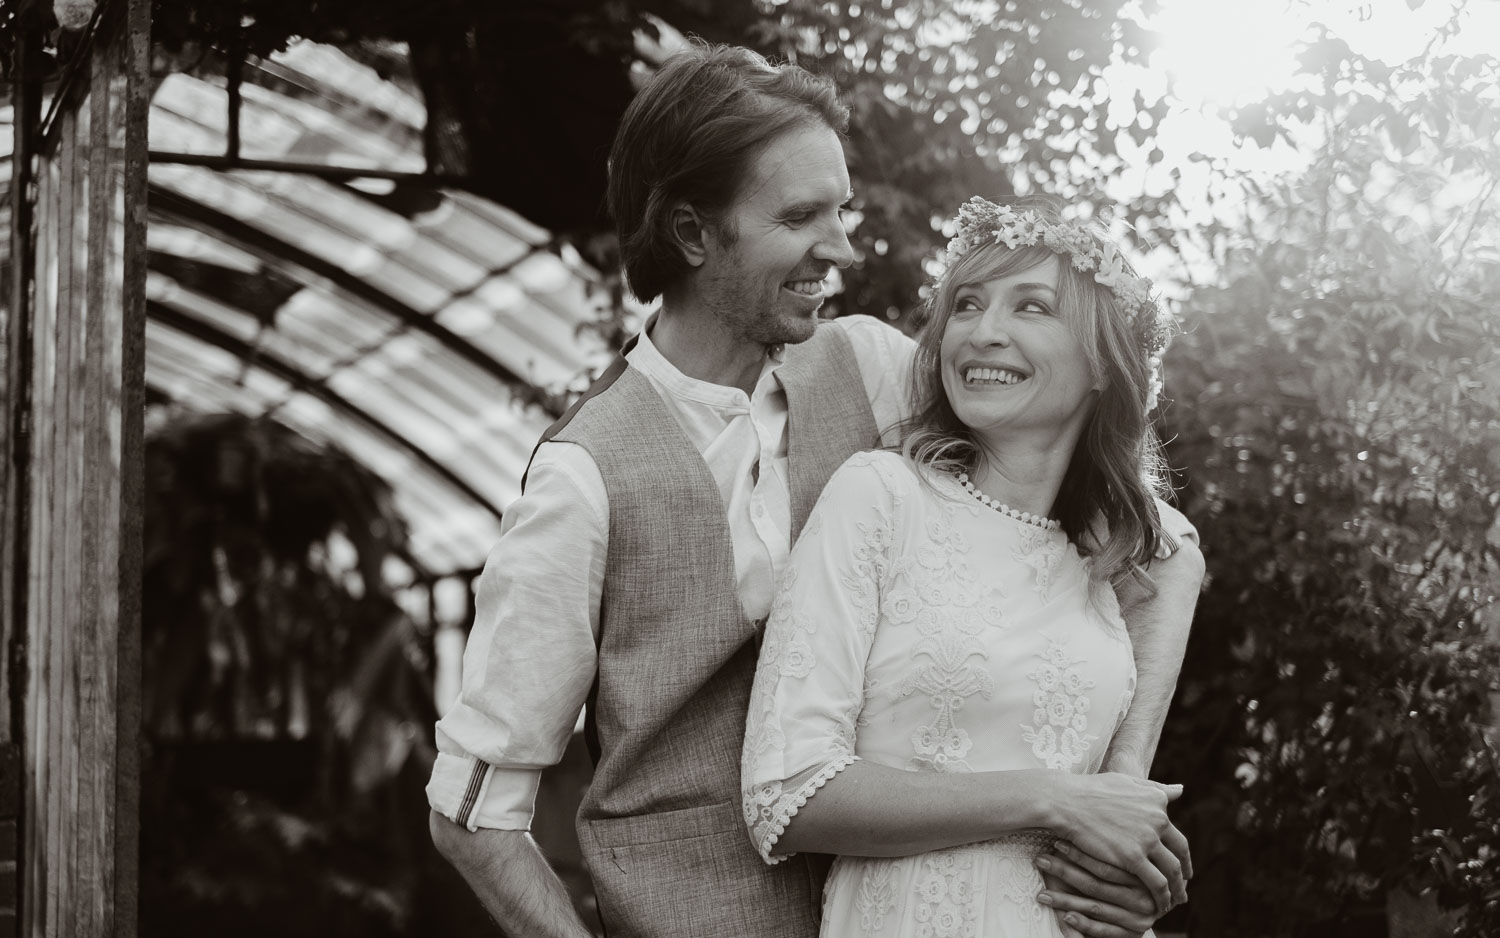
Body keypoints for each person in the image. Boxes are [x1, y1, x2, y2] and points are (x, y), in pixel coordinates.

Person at [427, 42, 1202, 938]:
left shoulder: (873, 369)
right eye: (801, 217)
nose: (839, 247)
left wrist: (1114, 815)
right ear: (691, 234)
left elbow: (1159, 548)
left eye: (840, 209)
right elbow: (471, 810)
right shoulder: (584, 477)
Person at [741, 197, 1194, 938]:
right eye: (967, 305)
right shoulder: (881, 494)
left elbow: (1182, 556)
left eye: (1032, 308)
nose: (984, 333)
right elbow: (785, 794)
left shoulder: (1112, 557)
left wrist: (1135, 865)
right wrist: (1060, 800)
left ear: (1103, 363)